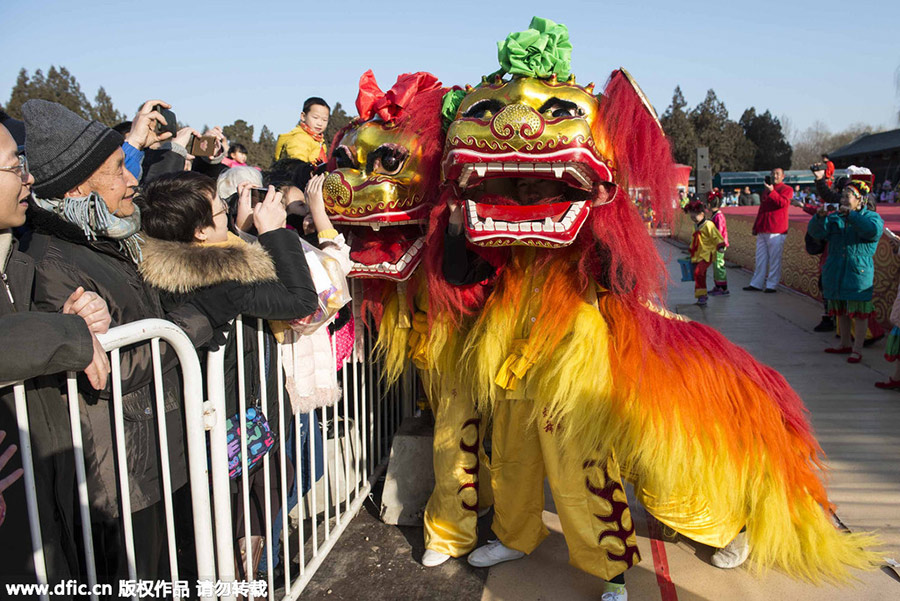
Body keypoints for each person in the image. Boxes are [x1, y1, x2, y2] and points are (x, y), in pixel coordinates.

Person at [21, 99, 217, 584]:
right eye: (116, 170)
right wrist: (196, 322)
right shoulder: (52, 264)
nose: (134, 179)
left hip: (157, 453)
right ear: (73, 189)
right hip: (120, 477)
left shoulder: (107, 238)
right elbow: (110, 368)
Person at [138, 171, 320, 579]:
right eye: (222, 213)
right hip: (230, 418)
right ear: (201, 233)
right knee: (246, 509)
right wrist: (275, 232)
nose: (228, 217)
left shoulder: (163, 266)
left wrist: (238, 230)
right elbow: (301, 300)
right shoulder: (222, 278)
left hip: (201, 419)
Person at [0, 121, 113, 589]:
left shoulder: (15, 261)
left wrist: (75, 318)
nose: (28, 178)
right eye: (14, 166)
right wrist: (68, 334)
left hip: (45, 499)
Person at [807, 171, 883, 363]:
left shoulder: (871, 218)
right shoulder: (835, 217)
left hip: (858, 270)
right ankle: (845, 343)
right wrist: (819, 218)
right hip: (836, 268)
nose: (842, 199)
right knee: (840, 307)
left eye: (847, 196)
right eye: (842, 195)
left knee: (859, 311)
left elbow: (872, 232)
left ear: (859, 200)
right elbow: (817, 233)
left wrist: (852, 216)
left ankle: (857, 348)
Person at [743, 168, 793, 293]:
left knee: (774, 259)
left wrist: (772, 191)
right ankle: (757, 283)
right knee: (760, 258)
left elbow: (783, 204)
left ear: (783, 176)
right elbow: (762, 209)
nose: (774, 176)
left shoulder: (787, 189)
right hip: (763, 228)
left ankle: (771, 284)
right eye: (773, 174)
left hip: (776, 229)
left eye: (777, 174)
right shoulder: (766, 190)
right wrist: (756, 226)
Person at [684, 200, 725, 305]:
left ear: (702, 214)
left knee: (698, 272)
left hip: (707, 254)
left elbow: (716, 236)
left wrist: (720, 246)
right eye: (691, 217)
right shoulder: (695, 226)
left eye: (695, 216)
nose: (693, 219)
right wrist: (691, 250)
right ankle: (701, 295)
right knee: (699, 274)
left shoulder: (708, 225)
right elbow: (694, 240)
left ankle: (703, 295)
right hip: (698, 254)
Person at [274, 97, 330, 164]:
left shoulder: (319, 142)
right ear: (303, 116)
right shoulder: (299, 139)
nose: (320, 123)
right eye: (315, 117)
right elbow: (298, 165)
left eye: (324, 120)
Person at [708, 194, 729, 295]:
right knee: (716, 266)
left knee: (719, 265)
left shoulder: (719, 216)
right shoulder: (715, 215)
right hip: (714, 245)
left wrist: (719, 244)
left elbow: (720, 232)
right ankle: (717, 285)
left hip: (719, 245)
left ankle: (723, 288)